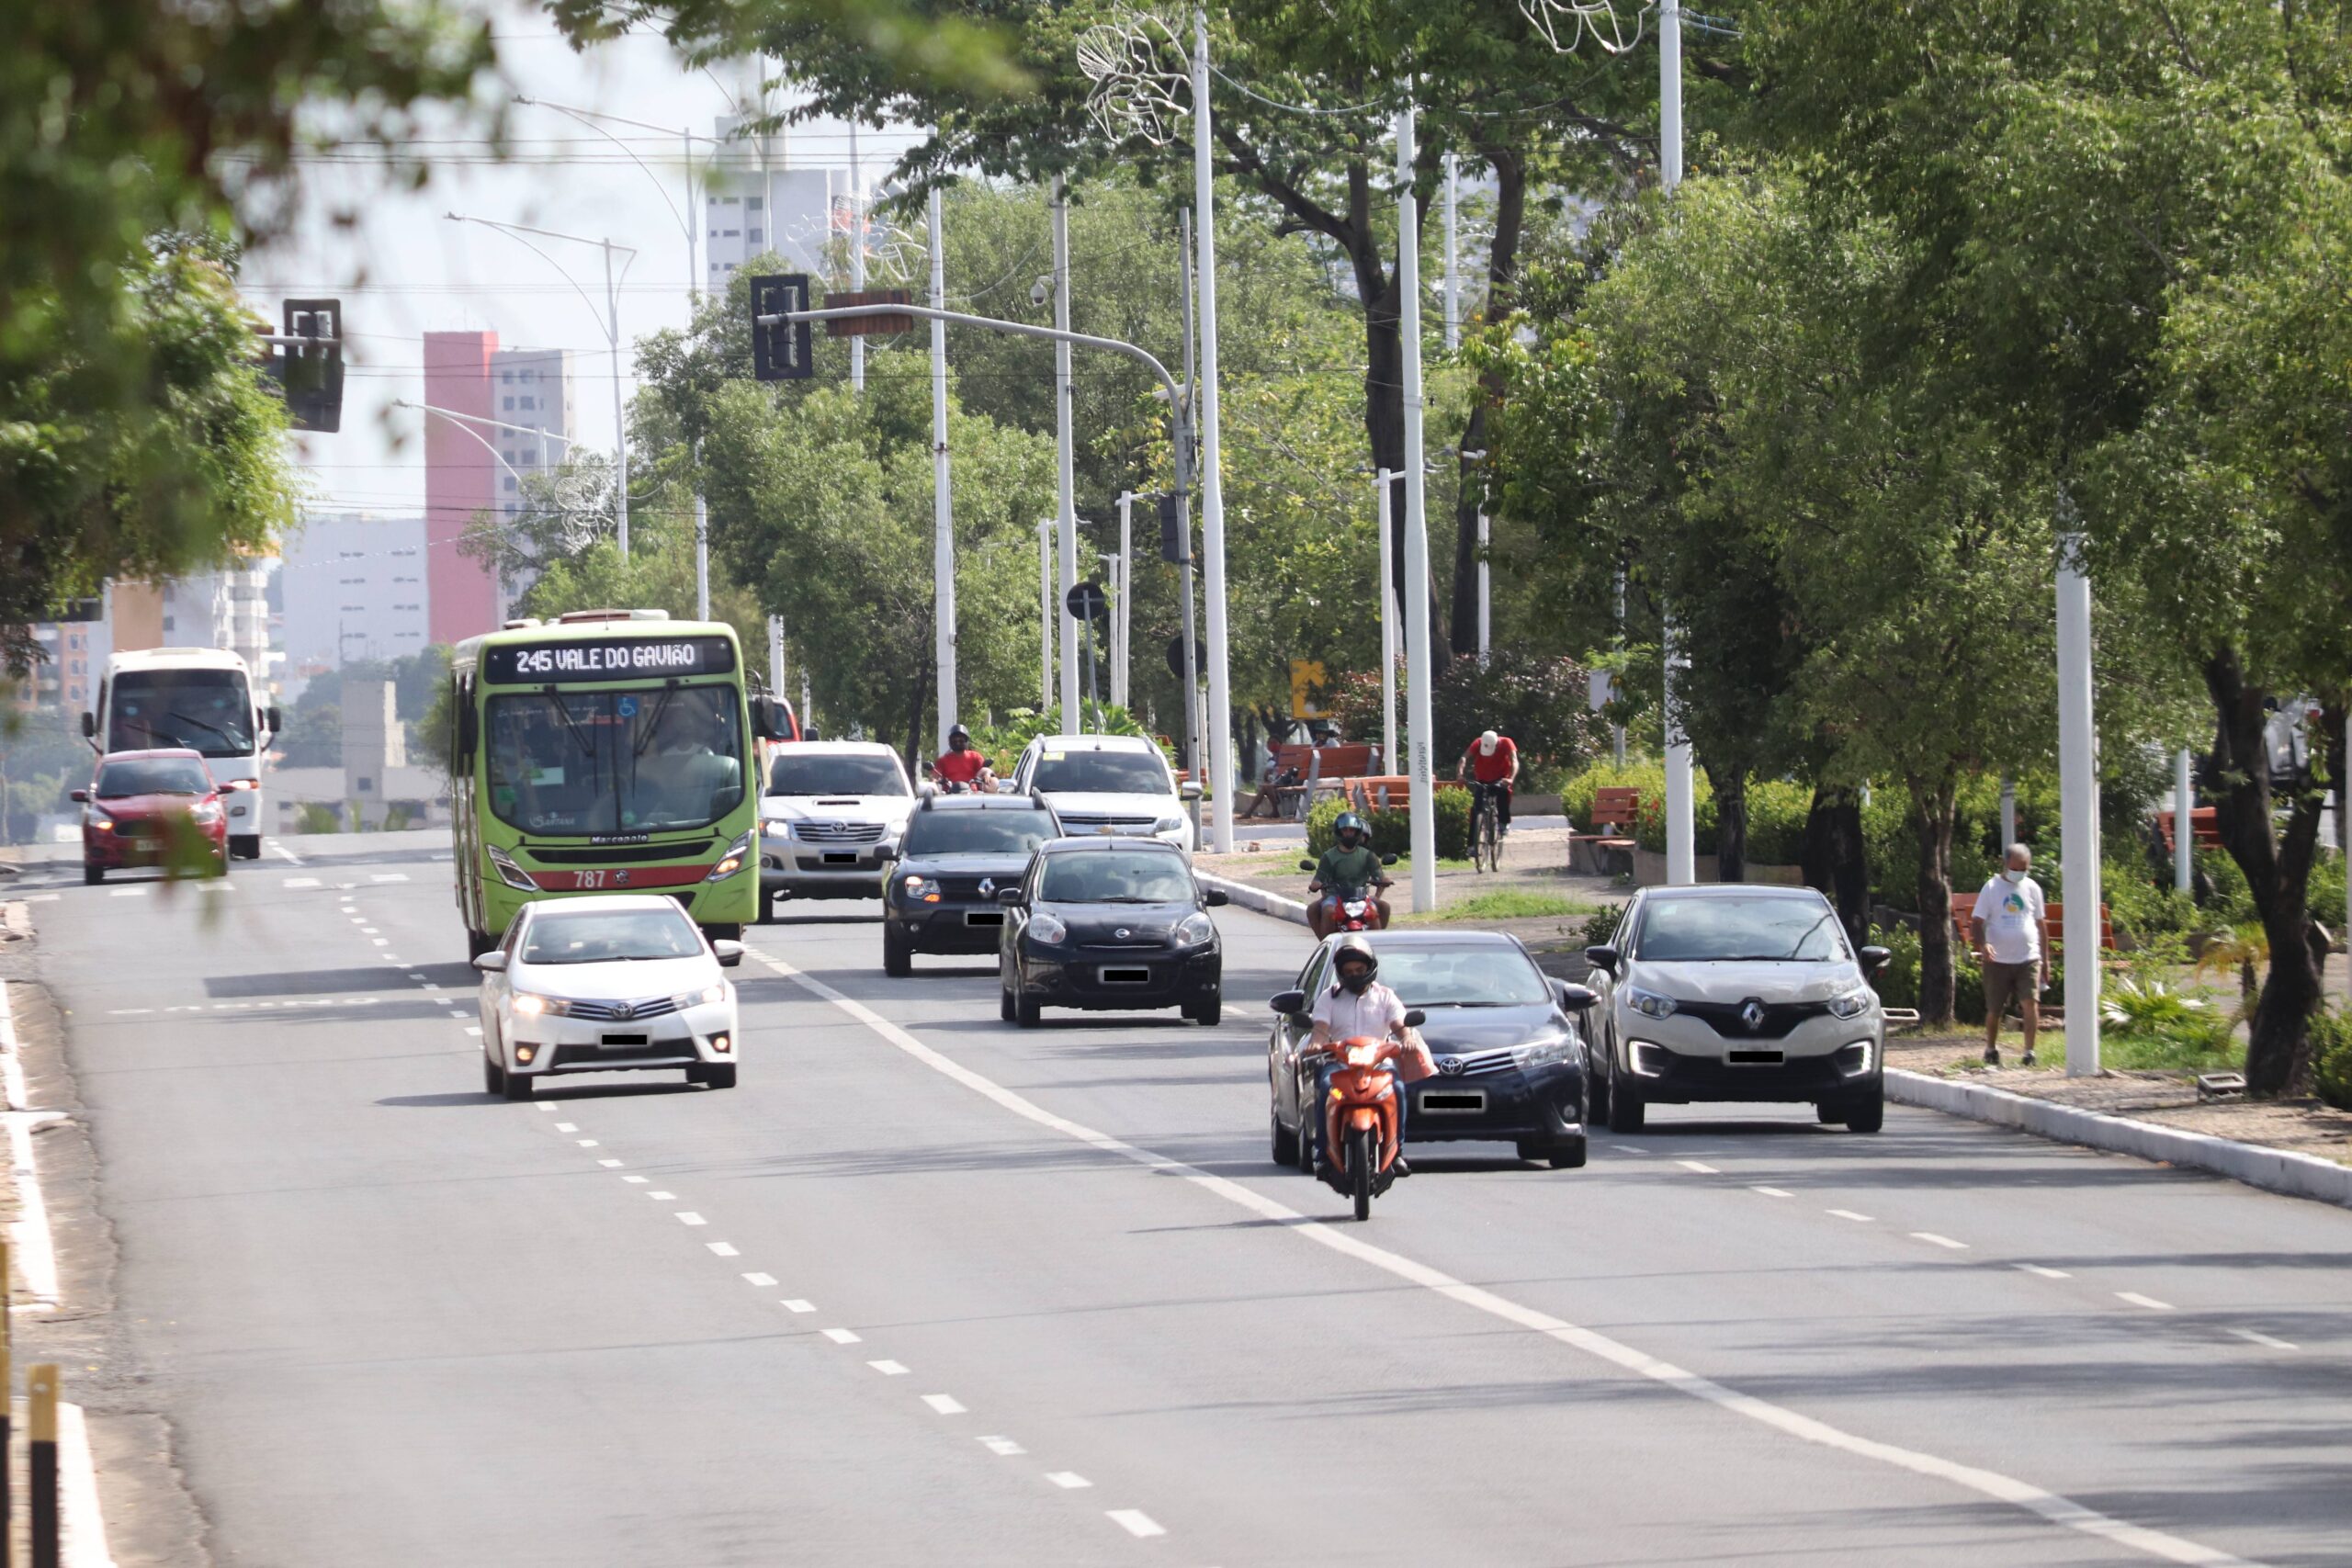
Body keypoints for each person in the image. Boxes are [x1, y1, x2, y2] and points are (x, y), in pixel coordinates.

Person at [1306, 935, 1434, 1179]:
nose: (1355, 974)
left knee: (1396, 1088)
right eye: (1349, 971)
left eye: (1359, 969)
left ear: (1370, 967)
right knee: (1324, 1087)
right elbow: (1320, 1029)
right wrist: (1315, 1043)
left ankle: (1396, 1153)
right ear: (1341, 973)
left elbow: (1399, 1024)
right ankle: (1322, 1155)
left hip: (1379, 1065)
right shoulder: (1328, 998)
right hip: (1340, 1065)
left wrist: (1406, 1038)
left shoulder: (1385, 996)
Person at [1970, 842, 2047, 1066]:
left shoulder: (2032, 888)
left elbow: (2041, 925)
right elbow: (1977, 922)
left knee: (2030, 1003)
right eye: (2016, 868)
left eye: (2024, 868)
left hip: (2028, 957)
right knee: (1995, 1009)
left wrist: (2045, 959)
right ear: (2005, 864)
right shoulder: (1992, 888)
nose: (2020, 873)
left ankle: (2029, 1052)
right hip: (1998, 960)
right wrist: (1983, 945)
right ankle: (1991, 1048)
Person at [1306, 811, 1392, 937]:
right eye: (1345, 830)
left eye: (1352, 830)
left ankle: (1376, 943)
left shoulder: (1367, 855)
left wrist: (1384, 880)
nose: (1348, 833)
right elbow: (1319, 877)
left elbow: (1378, 875)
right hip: (1335, 896)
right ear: (1339, 832)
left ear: (1357, 832)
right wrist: (1316, 884)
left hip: (1361, 896)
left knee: (1380, 908)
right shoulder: (1329, 856)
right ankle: (1327, 944)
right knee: (1328, 911)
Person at [1457, 728, 1521, 836]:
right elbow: (1464, 757)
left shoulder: (1506, 742)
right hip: (1482, 779)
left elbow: (1514, 761)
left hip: (1501, 778)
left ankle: (1503, 823)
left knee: (1503, 794)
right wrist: (1459, 774)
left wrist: (1511, 778)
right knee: (1476, 809)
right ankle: (1472, 845)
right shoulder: (1478, 742)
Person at [932, 725, 994, 793]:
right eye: (954, 740)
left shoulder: (975, 757)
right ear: (950, 742)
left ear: (966, 740)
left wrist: (987, 774)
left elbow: (985, 770)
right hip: (949, 795)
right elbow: (935, 776)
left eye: (961, 740)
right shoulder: (942, 761)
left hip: (972, 794)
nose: (958, 743)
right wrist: (933, 782)